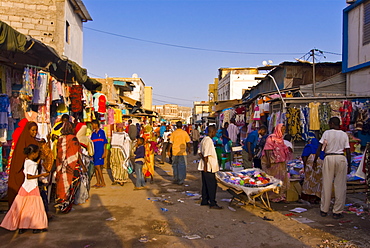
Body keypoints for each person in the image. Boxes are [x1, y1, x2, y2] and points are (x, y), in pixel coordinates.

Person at [1, 144, 49, 234]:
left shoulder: (27, 161)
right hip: (32, 187)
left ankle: (22, 226)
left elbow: (31, 167)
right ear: (34, 154)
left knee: (24, 207)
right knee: (36, 207)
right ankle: (37, 226)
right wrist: (41, 175)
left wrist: (39, 160)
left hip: (25, 187)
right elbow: (29, 176)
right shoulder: (32, 164)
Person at [313, 117, 351, 219]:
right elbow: (347, 150)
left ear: (332, 123)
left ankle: (324, 210)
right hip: (341, 158)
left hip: (329, 158)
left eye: (330, 123)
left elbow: (320, 147)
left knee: (327, 184)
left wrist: (315, 160)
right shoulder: (344, 134)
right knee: (340, 185)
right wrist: (349, 165)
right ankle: (337, 211)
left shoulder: (327, 133)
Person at [55, 122, 85, 213]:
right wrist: (82, 166)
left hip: (60, 166)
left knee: (61, 185)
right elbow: (76, 154)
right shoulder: (73, 139)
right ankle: (66, 206)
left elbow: (58, 152)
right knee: (70, 186)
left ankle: (60, 203)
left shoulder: (60, 139)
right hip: (72, 166)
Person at [7, 121, 38, 208]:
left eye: (36, 130)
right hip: (21, 173)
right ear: (28, 130)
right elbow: (19, 160)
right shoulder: (23, 142)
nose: (34, 132)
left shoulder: (34, 141)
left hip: (32, 173)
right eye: (32, 130)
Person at [261, 123, 290, 202]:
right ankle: (271, 196)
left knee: (281, 178)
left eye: (284, 130)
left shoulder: (280, 139)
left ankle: (279, 195)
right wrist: (268, 161)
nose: (284, 131)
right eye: (282, 129)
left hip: (280, 163)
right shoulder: (271, 138)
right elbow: (267, 149)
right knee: (272, 179)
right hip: (272, 162)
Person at [198, 126, 223, 209]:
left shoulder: (204, 139)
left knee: (205, 185)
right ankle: (212, 202)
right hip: (209, 167)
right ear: (212, 132)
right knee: (212, 185)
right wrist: (206, 166)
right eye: (215, 132)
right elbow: (205, 155)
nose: (215, 134)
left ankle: (204, 200)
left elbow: (200, 152)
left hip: (205, 166)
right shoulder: (208, 141)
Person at [75, 123, 94, 204]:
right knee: (86, 178)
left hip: (79, 160)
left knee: (80, 179)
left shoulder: (75, 138)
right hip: (86, 159)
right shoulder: (87, 139)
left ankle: (79, 198)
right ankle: (85, 196)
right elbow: (91, 152)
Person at [301, 137, 322, 204]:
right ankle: (317, 197)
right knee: (317, 181)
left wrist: (304, 166)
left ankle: (308, 196)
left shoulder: (308, 147)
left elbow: (304, 156)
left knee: (308, 180)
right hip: (319, 167)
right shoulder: (320, 149)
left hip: (310, 166)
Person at [91, 119, 107, 188]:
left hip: (100, 152)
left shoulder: (102, 132)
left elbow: (105, 143)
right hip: (95, 152)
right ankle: (98, 182)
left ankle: (103, 182)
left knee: (98, 167)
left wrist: (105, 152)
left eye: (93, 124)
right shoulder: (93, 134)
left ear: (96, 124)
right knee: (95, 168)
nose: (92, 126)